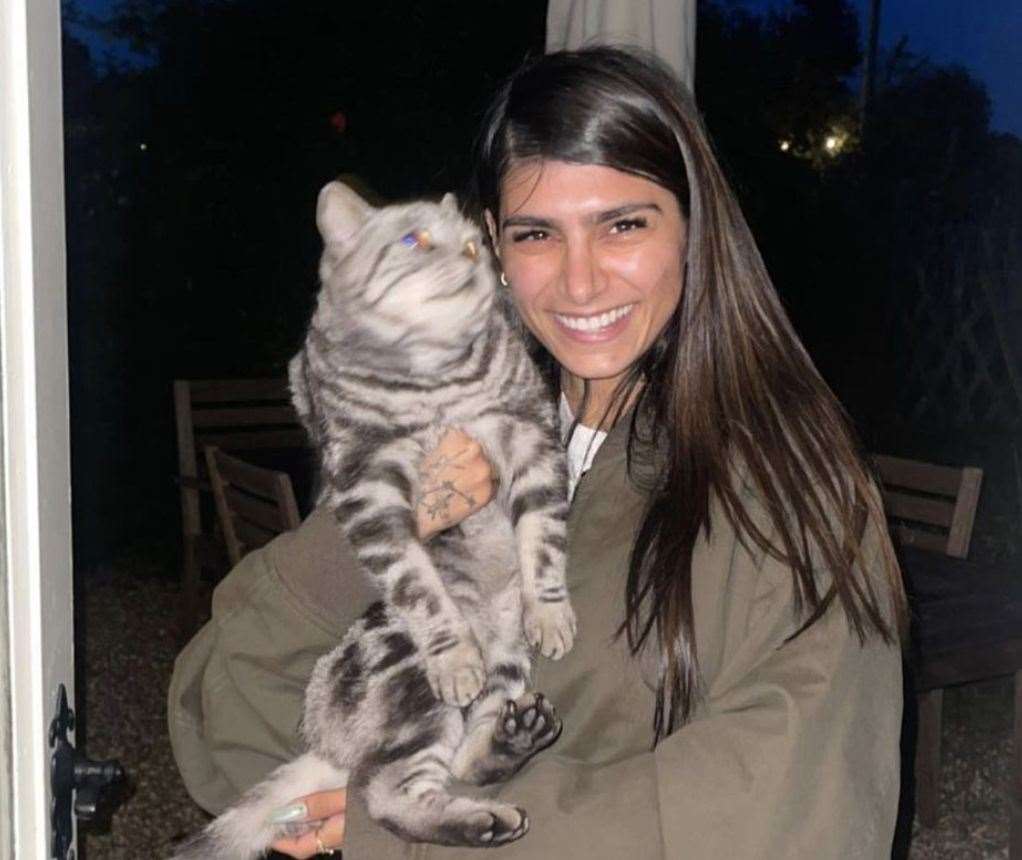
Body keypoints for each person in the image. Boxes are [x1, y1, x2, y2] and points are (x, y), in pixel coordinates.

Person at [168, 46, 907, 859]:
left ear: (694, 230)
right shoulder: (451, 434)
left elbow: (791, 811)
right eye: (536, 233)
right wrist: (371, 527)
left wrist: (405, 835)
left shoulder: (788, 491)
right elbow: (227, 717)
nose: (580, 283)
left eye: (623, 224)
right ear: (487, 243)